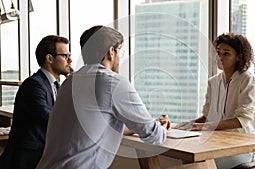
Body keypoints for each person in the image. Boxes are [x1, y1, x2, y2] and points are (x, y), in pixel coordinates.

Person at [36, 25, 171, 169]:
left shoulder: (70, 82)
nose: (119, 57)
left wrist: (139, 124)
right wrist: (162, 128)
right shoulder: (113, 83)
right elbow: (154, 136)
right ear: (111, 52)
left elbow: (97, 122)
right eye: (119, 51)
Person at [174, 32, 255, 169]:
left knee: (198, 164)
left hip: (242, 147)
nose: (220, 57)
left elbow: (242, 120)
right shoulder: (213, 82)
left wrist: (204, 127)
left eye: (226, 54)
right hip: (215, 143)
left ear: (239, 57)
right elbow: (207, 116)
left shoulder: (248, 81)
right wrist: (186, 124)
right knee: (187, 158)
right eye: (218, 52)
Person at [0, 35, 73, 169]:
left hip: (42, 156)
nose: (70, 60)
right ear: (50, 58)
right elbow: (49, 118)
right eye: (65, 56)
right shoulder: (33, 85)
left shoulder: (55, 85)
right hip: (26, 160)